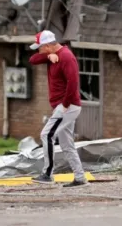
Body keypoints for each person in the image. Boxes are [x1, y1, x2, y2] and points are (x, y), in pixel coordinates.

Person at [28, 30, 87, 188]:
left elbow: (73, 82)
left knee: (46, 134)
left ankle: (47, 174)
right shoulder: (52, 56)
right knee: (67, 144)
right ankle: (80, 177)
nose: (38, 51)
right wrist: (47, 56)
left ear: (47, 46)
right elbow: (32, 59)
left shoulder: (66, 57)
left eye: (40, 48)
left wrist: (65, 105)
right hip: (63, 106)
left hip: (67, 105)